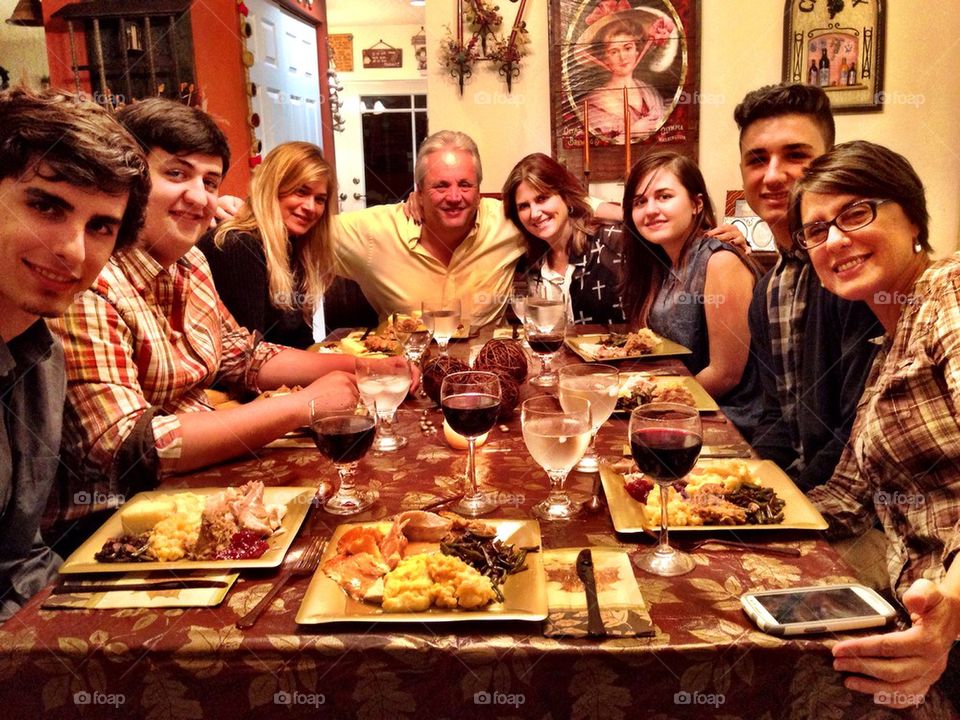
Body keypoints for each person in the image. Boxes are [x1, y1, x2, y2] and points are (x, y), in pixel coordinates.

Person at [46, 99, 403, 541]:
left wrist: (365, 368)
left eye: (209, 181)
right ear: (129, 181)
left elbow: (245, 356)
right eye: (176, 174)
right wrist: (302, 405)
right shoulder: (87, 281)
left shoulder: (190, 263)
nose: (199, 196)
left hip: (201, 489)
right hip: (113, 523)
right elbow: (130, 450)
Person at [792, 140, 960, 711]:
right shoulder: (888, 344)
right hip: (919, 615)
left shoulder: (949, 292)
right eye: (816, 230)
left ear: (912, 215)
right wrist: (715, 517)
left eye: (855, 213)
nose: (835, 239)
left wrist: (952, 606)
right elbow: (844, 498)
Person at [0, 87, 150, 619]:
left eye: (100, 227)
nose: (72, 250)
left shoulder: (42, 354)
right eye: (45, 205)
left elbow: (20, 562)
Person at [736, 83, 882, 491]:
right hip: (799, 492)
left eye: (796, 155)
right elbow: (775, 417)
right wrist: (751, 487)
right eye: (757, 160)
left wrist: (790, 506)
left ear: (828, 162)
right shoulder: (768, 290)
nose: (772, 175)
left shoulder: (857, 275)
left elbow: (856, 435)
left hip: (860, 510)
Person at [621, 151, 760, 439]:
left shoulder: (720, 261)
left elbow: (725, 374)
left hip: (727, 418)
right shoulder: (659, 263)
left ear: (696, 204)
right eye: (640, 201)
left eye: (664, 196)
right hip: (682, 406)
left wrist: (652, 408)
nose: (650, 210)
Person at [333, 130, 527, 326]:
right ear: (419, 192)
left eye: (465, 185)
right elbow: (310, 232)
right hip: (406, 355)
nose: (454, 197)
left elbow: (555, 220)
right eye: (441, 186)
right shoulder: (376, 230)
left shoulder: (509, 221)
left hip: (488, 354)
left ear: (478, 192)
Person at [200, 141, 336, 348]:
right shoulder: (238, 245)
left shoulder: (295, 245)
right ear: (272, 188)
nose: (311, 207)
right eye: (300, 192)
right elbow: (248, 358)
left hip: (285, 374)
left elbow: (301, 340)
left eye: (320, 199)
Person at [501, 152, 625, 325]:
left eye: (542, 198)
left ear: (565, 196)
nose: (535, 214)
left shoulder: (612, 242)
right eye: (524, 206)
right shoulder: (529, 263)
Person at [577, 9, 675, 144]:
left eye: (628, 48)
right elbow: (596, 145)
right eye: (614, 51)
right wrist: (632, 132)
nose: (623, 57)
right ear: (604, 59)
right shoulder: (594, 103)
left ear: (637, 51)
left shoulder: (650, 92)